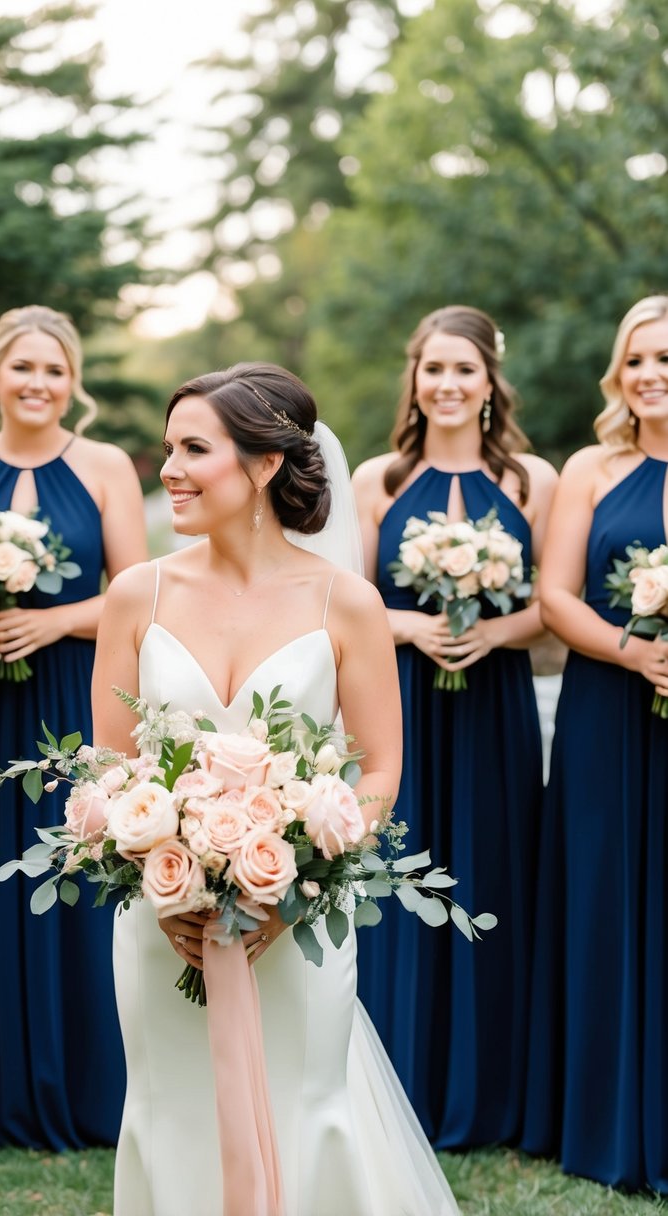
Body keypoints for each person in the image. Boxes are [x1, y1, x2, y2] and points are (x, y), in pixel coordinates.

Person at [91, 362, 460, 1216]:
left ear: (261, 466)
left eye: (194, 449)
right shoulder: (134, 595)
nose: (170, 470)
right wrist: (165, 876)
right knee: (168, 1108)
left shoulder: (347, 602)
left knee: (306, 1103)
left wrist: (288, 888)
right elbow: (110, 769)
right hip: (161, 920)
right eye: (166, 449)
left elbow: (376, 770)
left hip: (295, 923)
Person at [0, 305, 147, 1149]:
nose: (38, 383)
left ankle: (89, 1087)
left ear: (72, 381)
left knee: (81, 881)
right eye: (23, 367)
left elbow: (136, 591)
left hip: (69, 691)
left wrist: (52, 623)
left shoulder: (102, 468)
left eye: (54, 370)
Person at [350, 306, 558, 1148]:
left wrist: (491, 633)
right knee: (397, 871)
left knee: (490, 869)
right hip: (401, 696)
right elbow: (351, 602)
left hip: (494, 698)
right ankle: (400, 1085)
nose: (446, 385)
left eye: (462, 370)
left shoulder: (527, 480)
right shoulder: (379, 481)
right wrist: (408, 629)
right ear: (413, 378)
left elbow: (552, 599)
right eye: (432, 369)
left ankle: (491, 1089)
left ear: (487, 382)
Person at [521, 296, 668, 1193]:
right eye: (639, 359)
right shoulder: (590, 467)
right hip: (606, 717)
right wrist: (637, 650)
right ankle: (607, 1117)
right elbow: (556, 596)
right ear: (620, 373)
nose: (652, 374)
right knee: (605, 901)